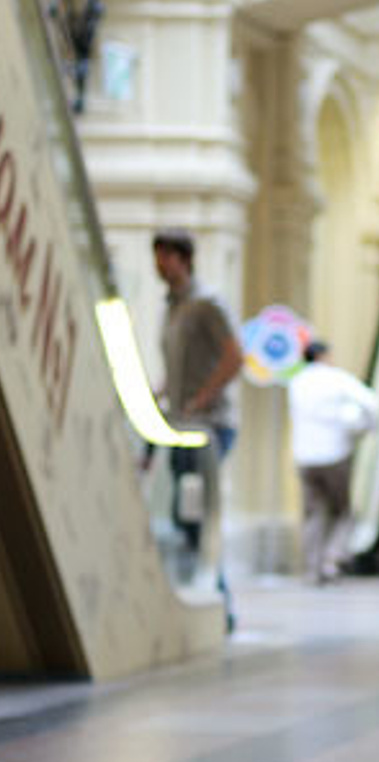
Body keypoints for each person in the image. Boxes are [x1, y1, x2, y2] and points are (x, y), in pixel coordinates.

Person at [153, 228, 243, 627]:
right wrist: (158, 394)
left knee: (195, 512)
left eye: (165, 256)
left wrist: (201, 399)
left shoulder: (207, 305)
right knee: (183, 514)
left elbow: (234, 357)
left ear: (183, 258)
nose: (158, 265)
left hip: (207, 426)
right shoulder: (171, 307)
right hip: (179, 423)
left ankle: (217, 601)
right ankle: (205, 597)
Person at [287, 339, 378, 585]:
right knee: (343, 512)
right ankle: (332, 558)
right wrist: (366, 427)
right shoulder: (336, 379)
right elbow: (370, 402)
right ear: (324, 356)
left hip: (304, 455)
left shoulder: (296, 383)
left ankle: (312, 567)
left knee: (313, 513)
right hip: (335, 453)